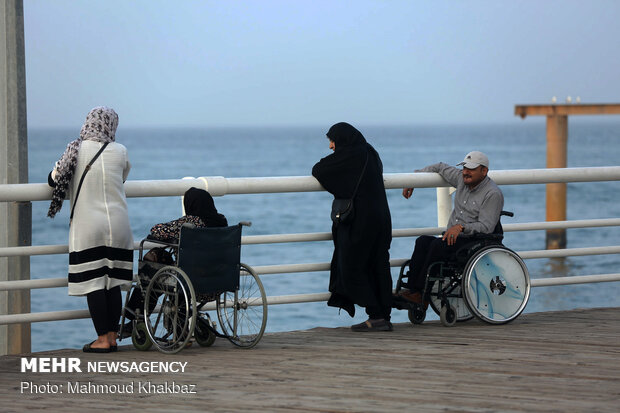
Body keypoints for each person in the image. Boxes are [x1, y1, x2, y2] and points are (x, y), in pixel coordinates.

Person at [47, 107, 133, 353]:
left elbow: (54, 178)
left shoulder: (76, 148)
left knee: (94, 282)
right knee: (113, 281)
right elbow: (123, 176)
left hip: (88, 225)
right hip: (119, 224)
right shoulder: (120, 151)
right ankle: (113, 336)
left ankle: (102, 339)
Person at [312, 122, 393, 332]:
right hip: (382, 218)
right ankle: (383, 315)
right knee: (379, 266)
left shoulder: (351, 155)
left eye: (332, 140)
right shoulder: (371, 153)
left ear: (342, 140)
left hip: (361, 221)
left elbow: (319, 169)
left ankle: (375, 314)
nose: (331, 146)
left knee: (350, 267)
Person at [398, 151, 504, 308]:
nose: (466, 172)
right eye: (464, 167)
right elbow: (439, 167)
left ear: (484, 171)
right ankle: (412, 290)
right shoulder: (462, 179)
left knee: (437, 246)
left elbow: (486, 227)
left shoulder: (492, 193)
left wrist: (461, 227)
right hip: (453, 237)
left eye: (471, 169)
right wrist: (415, 179)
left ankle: (422, 294)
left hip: (475, 240)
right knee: (422, 241)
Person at [121, 187, 227, 333]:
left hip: (189, 284)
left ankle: (136, 316)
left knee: (152, 270)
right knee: (169, 268)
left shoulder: (190, 222)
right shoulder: (222, 222)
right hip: (216, 284)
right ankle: (178, 321)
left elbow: (156, 230)